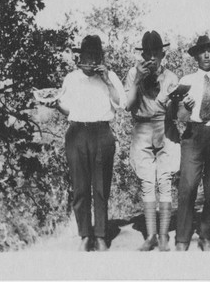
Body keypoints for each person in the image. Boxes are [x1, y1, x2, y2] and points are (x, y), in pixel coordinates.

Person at [48, 35, 126, 251]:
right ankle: (85, 235)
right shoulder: (71, 78)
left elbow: (121, 104)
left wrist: (107, 80)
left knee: (101, 187)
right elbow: (67, 109)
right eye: (87, 55)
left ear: (100, 56)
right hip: (77, 133)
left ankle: (100, 235)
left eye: (95, 55)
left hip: (102, 132)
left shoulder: (109, 76)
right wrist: (55, 105)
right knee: (80, 188)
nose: (90, 59)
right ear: (80, 56)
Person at [174, 35, 210, 251]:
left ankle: (206, 235)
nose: (207, 55)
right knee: (187, 187)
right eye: (202, 51)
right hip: (193, 135)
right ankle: (182, 238)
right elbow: (180, 116)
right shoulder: (186, 81)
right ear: (196, 56)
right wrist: (186, 107)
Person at [124, 31, 180, 252]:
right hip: (142, 127)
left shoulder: (171, 77)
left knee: (165, 180)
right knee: (147, 182)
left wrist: (177, 101)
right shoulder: (132, 73)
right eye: (147, 53)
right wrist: (138, 79)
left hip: (165, 126)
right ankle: (151, 236)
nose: (151, 57)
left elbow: (175, 113)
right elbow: (128, 105)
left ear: (162, 53)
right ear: (142, 54)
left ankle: (164, 236)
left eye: (156, 52)